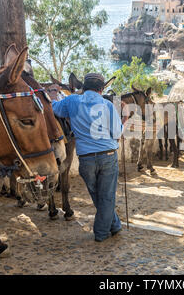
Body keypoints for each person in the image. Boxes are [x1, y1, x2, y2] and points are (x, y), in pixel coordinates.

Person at [51, 73, 124, 242]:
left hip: (86, 159)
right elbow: (117, 133)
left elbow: (55, 108)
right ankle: (101, 233)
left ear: (83, 86)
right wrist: (125, 119)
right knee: (106, 196)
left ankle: (115, 225)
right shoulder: (107, 105)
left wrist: (53, 93)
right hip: (108, 156)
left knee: (98, 196)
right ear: (102, 88)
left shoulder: (72, 101)